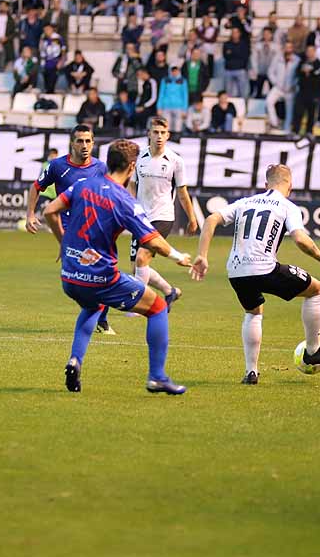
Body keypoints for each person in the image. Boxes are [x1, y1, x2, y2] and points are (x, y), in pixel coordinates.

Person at [43, 136, 193, 395]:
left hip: (69, 276)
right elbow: (153, 241)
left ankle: (75, 360)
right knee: (157, 308)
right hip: (102, 277)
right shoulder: (124, 201)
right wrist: (178, 256)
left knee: (92, 305)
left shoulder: (82, 185)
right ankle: (157, 376)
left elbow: (49, 210)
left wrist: (63, 242)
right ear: (132, 167)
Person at [189, 163, 320, 385]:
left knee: (253, 312)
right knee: (316, 290)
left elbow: (212, 219)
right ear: (290, 186)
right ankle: (313, 350)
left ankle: (251, 372)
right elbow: (300, 239)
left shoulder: (245, 202)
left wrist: (202, 255)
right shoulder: (287, 206)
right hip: (264, 268)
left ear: (265, 184)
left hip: (236, 271)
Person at [26, 124, 116, 336]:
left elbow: (109, 194)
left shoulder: (101, 168)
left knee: (102, 272)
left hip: (94, 227)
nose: (84, 145)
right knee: (89, 273)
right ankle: (97, 317)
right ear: (71, 143)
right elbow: (36, 187)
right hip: (68, 227)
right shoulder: (57, 166)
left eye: (88, 141)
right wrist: (30, 214)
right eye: (80, 141)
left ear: (93, 143)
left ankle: (99, 318)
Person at [130, 117, 199, 307]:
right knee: (137, 266)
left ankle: (139, 306)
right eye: (155, 132)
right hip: (139, 217)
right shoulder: (139, 158)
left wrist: (192, 218)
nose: (159, 136)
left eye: (163, 133)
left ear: (168, 135)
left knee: (142, 258)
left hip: (163, 216)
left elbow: (182, 192)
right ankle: (170, 292)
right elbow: (132, 185)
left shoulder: (176, 161)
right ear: (149, 134)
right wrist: (129, 209)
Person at [157, 66, 188, 132]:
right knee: (166, 126)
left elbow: (185, 95)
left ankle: (177, 140)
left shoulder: (182, 81)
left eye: (176, 71)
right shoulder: (165, 80)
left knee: (178, 126)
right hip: (166, 106)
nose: (174, 73)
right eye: (173, 71)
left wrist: (184, 109)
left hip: (179, 106)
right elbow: (161, 94)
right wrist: (159, 107)